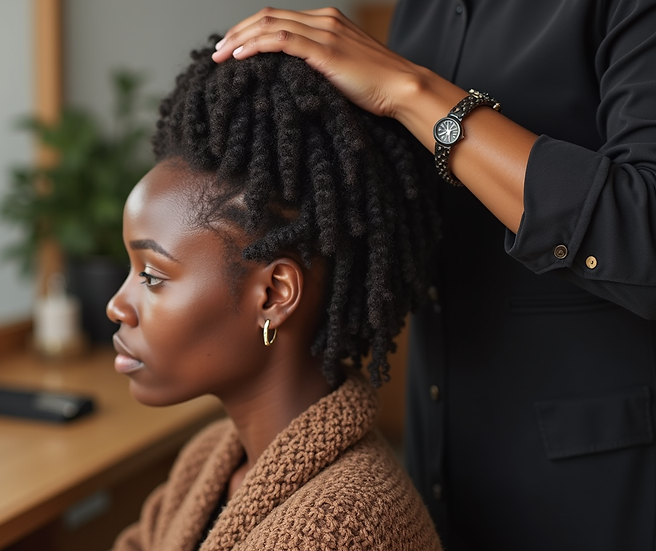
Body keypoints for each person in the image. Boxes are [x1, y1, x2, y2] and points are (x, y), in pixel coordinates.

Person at [211, 2, 656, 549]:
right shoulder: (420, 12)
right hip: (435, 466)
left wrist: (410, 91)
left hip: (595, 492)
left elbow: (642, 239)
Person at [106, 39, 443, 550]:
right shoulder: (211, 457)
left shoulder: (342, 530)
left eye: (151, 275)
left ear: (274, 294)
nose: (116, 305)